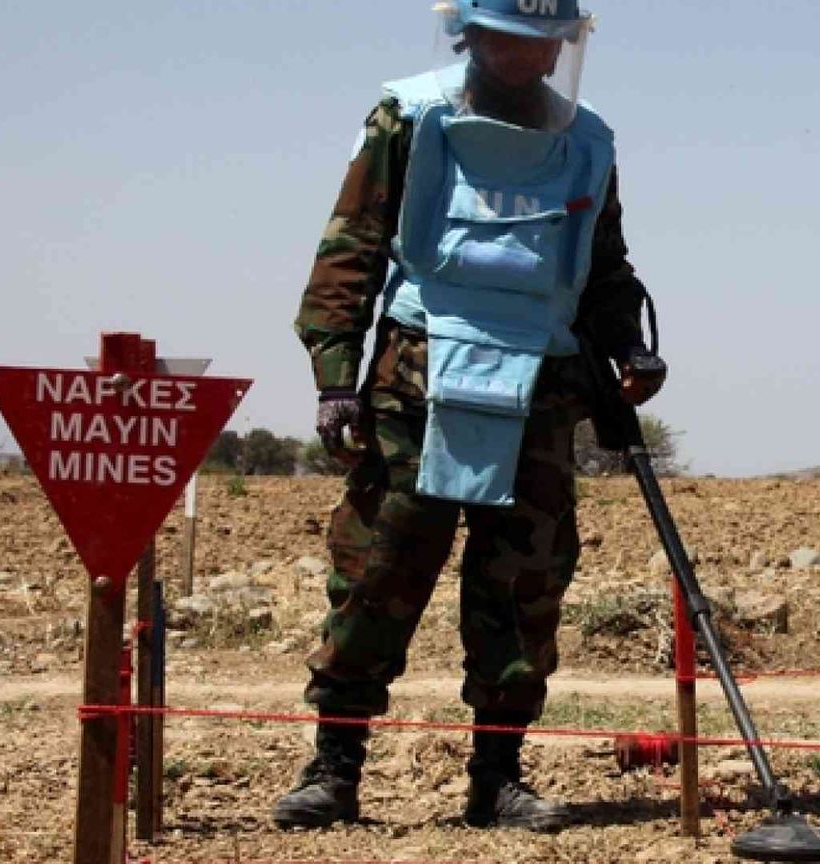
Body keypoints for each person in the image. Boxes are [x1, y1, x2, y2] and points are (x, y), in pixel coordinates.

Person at [274, 0, 664, 833]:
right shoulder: (409, 117)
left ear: (563, 47)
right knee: (379, 572)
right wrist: (336, 376)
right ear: (470, 37)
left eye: (542, 43)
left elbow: (604, 264)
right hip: (415, 378)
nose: (526, 59)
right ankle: (334, 768)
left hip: (544, 386)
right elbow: (352, 243)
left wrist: (628, 347)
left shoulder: (588, 140)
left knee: (523, 583)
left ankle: (498, 776)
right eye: (507, 40)